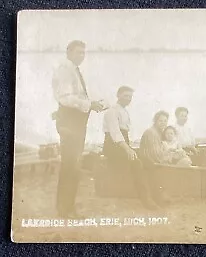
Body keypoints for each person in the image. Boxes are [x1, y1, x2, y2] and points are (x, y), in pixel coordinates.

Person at [52, 40, 105, 218]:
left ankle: (66, 207)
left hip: (76, 122)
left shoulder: (74, 70)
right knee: (71, 165)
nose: (81, 56)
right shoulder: (65, 70)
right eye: (77, 52)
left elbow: (77, 96)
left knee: (73, 165)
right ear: (68, 52)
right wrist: (89, 104)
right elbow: (66, 98)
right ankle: (65, 209)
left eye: (83, 53)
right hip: (70, 122)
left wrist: (93, 104)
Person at [102, 86, 159, 210]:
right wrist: (127, 149)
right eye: (125, 96)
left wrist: (131, 147)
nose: (128, 99)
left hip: (123, 144)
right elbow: (116, 133)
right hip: (113, 146)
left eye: (130, 96)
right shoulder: (111, 111)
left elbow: (127, 134)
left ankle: (157, 195)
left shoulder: (124, 111)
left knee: (148, 161)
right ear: (118, 95)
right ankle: (146, 200)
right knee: (136, 163)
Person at [139, 111, 171, 206]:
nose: (163, 123)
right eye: (160, 121)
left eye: (165, 121)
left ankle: (163, 194)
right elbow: (155, 154)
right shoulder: (151, 133)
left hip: (152, 159)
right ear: (155, 121)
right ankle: (159, 196)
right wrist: (168, 158)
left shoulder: (158, 132)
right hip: (148, 162)